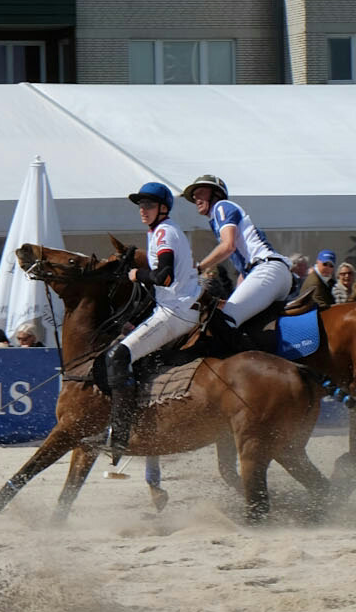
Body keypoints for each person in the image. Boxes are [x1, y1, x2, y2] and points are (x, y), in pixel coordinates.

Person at [99, 182, 198, 467]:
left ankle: (119, 434)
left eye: (149, 205)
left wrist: (135, 274)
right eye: (141, 206)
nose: (143, 210)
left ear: (163, 208)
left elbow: (164, 277)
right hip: (177, 307)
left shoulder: (165, 231)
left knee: (118, 356)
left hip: (175, 312)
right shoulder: (160, 231)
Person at [183, 175, 290, 356]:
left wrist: (199, 269)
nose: (196, 198)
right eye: (194, 196)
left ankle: (253, 365)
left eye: (200, 192)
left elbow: (228, 246)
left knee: (223, 322)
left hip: (267, 271)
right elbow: (243, 272)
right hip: (272, 273)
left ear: (216, 193)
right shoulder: (219, 216)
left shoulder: (221, 207)